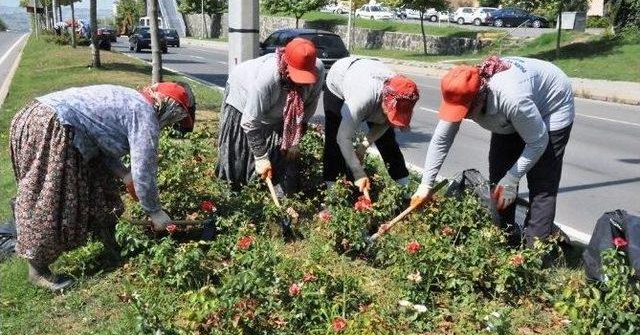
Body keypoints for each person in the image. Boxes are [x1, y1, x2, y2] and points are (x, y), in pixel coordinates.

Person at [10, 82, 195, 291]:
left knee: (100, 184)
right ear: (170, 108)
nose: (170, 126)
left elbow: (100, 142)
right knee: (49, 198)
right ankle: (38, 271)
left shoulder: (132, 100)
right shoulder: (144, 114)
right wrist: (155, 212)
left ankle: (109, 242)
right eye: (174, 120)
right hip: (52, 125)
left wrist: (124, 175)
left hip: (37, 116)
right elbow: (144, 170)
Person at [412, 56, 574, 246]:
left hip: (551, 104)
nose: (462, 117)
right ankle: (505, 240)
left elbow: (538, 142)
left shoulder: (512, 99)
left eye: (465, 111)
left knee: (542, 184)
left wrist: (513, 178)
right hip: (511, 112)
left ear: (479, 98)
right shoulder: (461, 89)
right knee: (499, 179)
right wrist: (425, 185)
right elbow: (441, 140)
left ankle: (535, 253)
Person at [216, 38, 325, 194]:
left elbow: (308, 107)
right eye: (298, 76)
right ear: (287, 65)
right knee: (238, 156)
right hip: (242, 98)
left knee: (279, 156)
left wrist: (294, 140)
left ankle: (268, 193)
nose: (301, 83)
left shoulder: (318, 70)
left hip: (277, 112)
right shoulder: (267, 78)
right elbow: (249, 122)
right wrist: (261, 157)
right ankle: (232, 193)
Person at [323, 57, 419, 194]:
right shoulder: (362, 100)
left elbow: (387, 122)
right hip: (340, 76)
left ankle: (405, 189)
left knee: (388, 141)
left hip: (369, 72)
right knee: (334, 139)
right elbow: (342, 138)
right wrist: (358, 173)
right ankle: (332, 191)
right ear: (385, 100)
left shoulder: (402, 90)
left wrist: (363, 147)